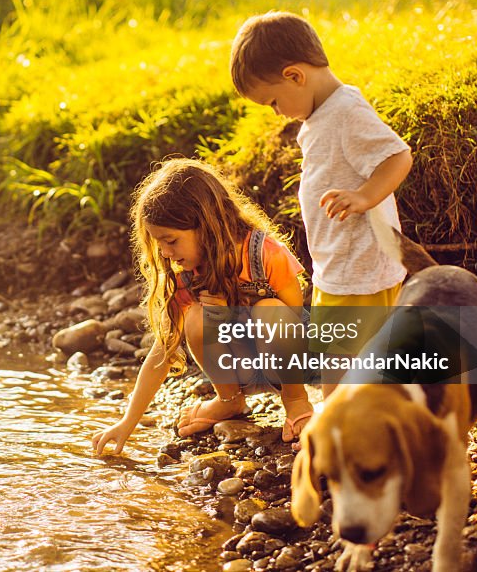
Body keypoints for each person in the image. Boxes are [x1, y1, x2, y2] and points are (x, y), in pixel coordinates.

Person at [229, 11, 413, 398]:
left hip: (361, 266)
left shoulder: (346, 111)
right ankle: (353, 423)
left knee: (347, 362)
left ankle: (348, 429)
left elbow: (398, 157)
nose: (277, 112)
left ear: (295, 75)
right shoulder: (322, 116)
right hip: (338, 264)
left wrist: (364, 197)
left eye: (274, 101)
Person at [91, 158, 314, 457]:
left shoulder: (264, 253)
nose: (167, 254)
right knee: (195, 316)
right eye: (160, 244)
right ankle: (229, 399)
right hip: (242, 367)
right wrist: (127, 422)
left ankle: (296, 402)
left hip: (290, 366)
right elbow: (163, 351)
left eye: (171, 241)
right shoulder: (186, 275)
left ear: (207, 225)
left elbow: (293, 320)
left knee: (270, 309)